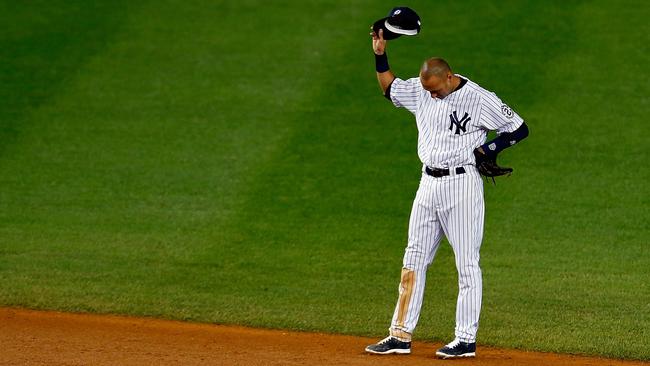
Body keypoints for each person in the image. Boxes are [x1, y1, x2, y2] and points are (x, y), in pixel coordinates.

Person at [364, 29, 529, 359]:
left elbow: (519, 128)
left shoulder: (479, 98)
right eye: (428, 91)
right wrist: (380, 54)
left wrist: (490, 148)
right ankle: (400, 335)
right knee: (413, 259)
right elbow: (390, 89)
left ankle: (465, 339)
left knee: (466, 263)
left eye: (436, 90)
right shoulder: (424, 90)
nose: (432, 97)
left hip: (463, 187)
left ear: (449, 77)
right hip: (427, 185)